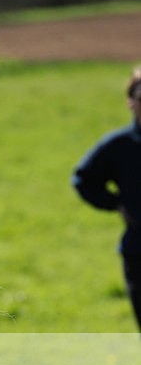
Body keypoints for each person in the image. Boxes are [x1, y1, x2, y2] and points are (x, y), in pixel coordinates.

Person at [72, 66, 141, 330]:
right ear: (130, 102)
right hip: (139, 251)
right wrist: (115, 204)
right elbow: (83, 180)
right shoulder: (118, 146)